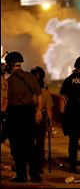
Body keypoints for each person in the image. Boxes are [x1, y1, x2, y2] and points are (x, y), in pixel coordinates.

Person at [5, 51, 43, 182]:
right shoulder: (30, 77)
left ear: (10, 64)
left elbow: (5, 100)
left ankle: (21, 176)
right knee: (30, 145)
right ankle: (35, 174)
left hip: (15, 114)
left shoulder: (9, 80)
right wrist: (38, 111)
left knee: (17, 146)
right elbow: (39, 95)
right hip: (29, 113)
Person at [30, 66, 54, 174]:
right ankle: (39, 168)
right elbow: (49, 110)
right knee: (40, 145)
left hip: (29, 118)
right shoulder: (45, 92)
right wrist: (50, 124)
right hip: (41, 120)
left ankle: (30, 166)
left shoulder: (28, 90)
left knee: (28, 143)